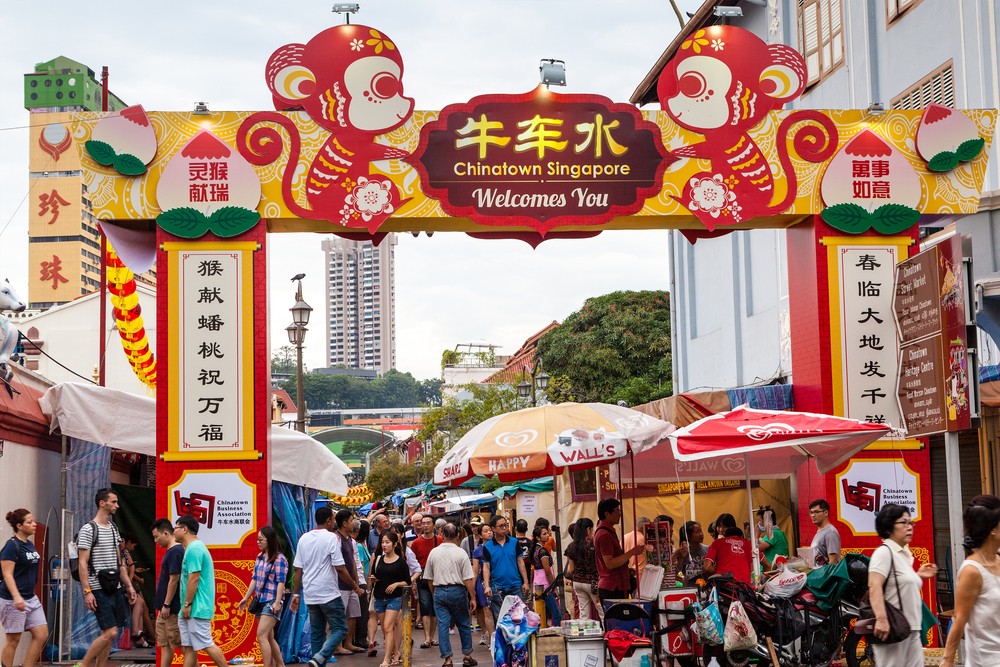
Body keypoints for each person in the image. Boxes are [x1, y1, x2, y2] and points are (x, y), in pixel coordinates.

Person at [867, 504, 936, 666]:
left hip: (911, 628)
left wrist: (918, 576)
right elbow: (874, 586)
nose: (909, 527)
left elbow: (900, 585)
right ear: (889, 526)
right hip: (892, 628)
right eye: (903, 522)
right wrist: (881, 619)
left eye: (911, 523)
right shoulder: (884, 553)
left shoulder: (904, 555)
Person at [76, 488, 137, 667]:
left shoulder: (114, 529)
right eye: (114, 502)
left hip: (115, 587)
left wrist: (129, 586)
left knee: (110, 633)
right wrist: (87, 591)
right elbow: (82, 563)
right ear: (102, 503)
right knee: (109, 633)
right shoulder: (88, 529)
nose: (117, 506)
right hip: (98, 588)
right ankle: (83, 664)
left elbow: (120, 563)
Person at [941, 495, 1000, 667]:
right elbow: (959, 618)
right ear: (992, 530)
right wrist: (947, 660)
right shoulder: (971, 571)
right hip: (987, 659)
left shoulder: (998, 560)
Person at [289, 506, 349, 667]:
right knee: (341, 628)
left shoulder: (304, 538)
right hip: (328, 592)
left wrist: (296, 594)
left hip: (310, 593)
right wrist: (355, 585)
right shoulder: (331, 538)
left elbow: (298, 569)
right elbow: (340, 567)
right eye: (333, 519)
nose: (334, 522)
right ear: (328, 520)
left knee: (317, 633)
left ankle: (317, 661)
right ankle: (320, 657)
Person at [174, 515, 227, 667]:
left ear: (184, 529)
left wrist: (187, 604)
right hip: (191, 607)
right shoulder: (192, 548)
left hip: (197, 607)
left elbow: (194, 578)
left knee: (206, 643)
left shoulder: (195, 549)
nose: (173, 532)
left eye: (175, 528)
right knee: (189, 647)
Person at [424, 523, 478, 667]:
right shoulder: (461, 553)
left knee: (443, 625)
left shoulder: (434, 552)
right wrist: (472, 597)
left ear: (442, 535)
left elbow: (429, 578)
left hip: (439, 590)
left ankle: (447, 659)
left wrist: (434, 592)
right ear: (458, 535)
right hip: (458, 591)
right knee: (464, 624)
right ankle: (467, 655)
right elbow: (468, 578)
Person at [0, 509, 46, 667]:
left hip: (31, 598)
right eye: (29, 522)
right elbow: (7, 574)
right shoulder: (11, 546)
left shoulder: (29, 544)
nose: (34, 524)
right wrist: (16, 597)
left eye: (33, 521)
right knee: (13, 640)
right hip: (12, 600)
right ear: (19, 526)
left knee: (41, 634)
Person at [237, 526, 288, 667]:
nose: (258, 542)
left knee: (261, 635)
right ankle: (281, 665)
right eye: (257, 539)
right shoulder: (259, 557)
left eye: (261, 539)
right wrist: (246, 598)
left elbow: (281, 582)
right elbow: (255, 579)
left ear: (269, 540)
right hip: (260, 600)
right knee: (269, 637)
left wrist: (278, 602)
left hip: (272, 601)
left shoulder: (279, 559)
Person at [370, 531, 416, 667]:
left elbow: (407, 581)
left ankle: (386, 659)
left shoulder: (401, 562)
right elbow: (374, 577)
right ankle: (395, 653)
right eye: (382, 542)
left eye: (387, 542)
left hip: (394, 598)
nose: (384, 545)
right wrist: (374, 580)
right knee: (386, 630)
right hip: (379, 597)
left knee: (387, 627)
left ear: (395, 544)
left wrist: (396, 584)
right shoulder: (378, 559)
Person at [481, 515, 529, 624]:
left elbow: (520, 562)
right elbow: (486, 567)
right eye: (501, 526)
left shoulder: (514, 542)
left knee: (519, 618)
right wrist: (487, 586)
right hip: (498, 588)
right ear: (493, 529)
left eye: (506, 525)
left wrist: (525, 582)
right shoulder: (488, 546)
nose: (504, 528)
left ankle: (518, 641)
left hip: (515, 585)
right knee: (501, 620)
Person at [593, 499, 642, 604]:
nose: (620, 515)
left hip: (616, 585)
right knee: (617, 618)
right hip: (612, 587)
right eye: (617, 511)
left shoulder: (607, 532)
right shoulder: (604, 535)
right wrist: (632, 552)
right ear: (607, 514)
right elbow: (609, 563)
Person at [150, 519, 183, 667]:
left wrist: (167, 604)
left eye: (157, 537)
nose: (156, 541)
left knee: (180, 643)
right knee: (165, 644)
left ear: (166, 533)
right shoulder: (170, 552)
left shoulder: (176, 551)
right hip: (163, 608)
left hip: (171, 608)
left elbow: (174, 579)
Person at [334, 510, 365, 655]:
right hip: (340, 584)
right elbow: (339, 566)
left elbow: (352, 561)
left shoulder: (350, 540)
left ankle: (348, 642)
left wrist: (356, 581)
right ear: (344, 523)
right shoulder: (336, 539)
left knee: (353, 614)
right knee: (340, 615)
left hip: (352, 584)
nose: (353, 522)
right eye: (351, 520)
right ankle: (338, 645)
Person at [703, 514, 764, 585]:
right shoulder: (748, 544)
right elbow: (767, 565)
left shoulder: (717, 543)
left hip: (722, 585)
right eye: (719, 526)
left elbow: (707, 567)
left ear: (731, 527)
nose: (721, 529)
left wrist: (719, 572)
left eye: (724, 526)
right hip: (743, 587)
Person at [411, 514, 443, 649]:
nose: (425, 526)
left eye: (428, 523)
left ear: (433, 525)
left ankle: (433, 636)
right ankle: (427, 638)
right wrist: (413, 581)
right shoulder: (416, 543)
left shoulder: (440, 540)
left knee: (436, 608)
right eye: (423, 523)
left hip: (437, 577)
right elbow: (413, 563)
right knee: (425, 607)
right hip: (422, 577)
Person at [121, 533, 155, 647]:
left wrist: (132, 578)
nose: (120, 543)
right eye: (133, 545)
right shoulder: (119, 552)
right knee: (141, 604)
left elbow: (130, 567)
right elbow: (126, 568)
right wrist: (131, 581)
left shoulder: (124, 553)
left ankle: (140, 636)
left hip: (127, 585)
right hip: (122, 586)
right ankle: (144, 634)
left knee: (141, 608)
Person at [564, 518, 601, 622]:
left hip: (577, 582)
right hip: (593, 582)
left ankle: (585, 636)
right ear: (588, 529)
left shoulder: (571, 546)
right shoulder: (593, 544)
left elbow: (571, 569)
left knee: (583, 613)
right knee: (602, 610)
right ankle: (608, 633)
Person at [470, 524, 495, 645]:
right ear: (480, 535)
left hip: (496, 580)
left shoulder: (496, 547)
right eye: (486, 531)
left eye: (490, 530)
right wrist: (472, 587)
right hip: (482, 582)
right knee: (485, 609)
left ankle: (493, 635)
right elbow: (475, 570)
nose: (489, 533)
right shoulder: (478, 550)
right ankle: (488, 635)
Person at [531, 526, 560, 626]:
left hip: (539, 584)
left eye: (547, 533)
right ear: (538, 537)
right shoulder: (542, 551)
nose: (547, 535)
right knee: (556, 613)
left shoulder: (536, 549)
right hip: (546, 586)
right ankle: (556, 637)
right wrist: (554, 587)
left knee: (544, 614)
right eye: (544, 534)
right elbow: (547, 572)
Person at [354, 520, 372, 653]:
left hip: (363, 582)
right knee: (362, 613)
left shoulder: (361, 545)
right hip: (361, 582)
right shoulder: (359, 547)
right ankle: (360, 639)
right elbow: (360, 565)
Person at [808, 499, 841, 566]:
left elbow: (833, 561)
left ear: (826, 513)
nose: (813, 515)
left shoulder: (830, 533)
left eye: (816, 512)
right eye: (811, 512)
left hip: (826, 575)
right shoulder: (820, 531)